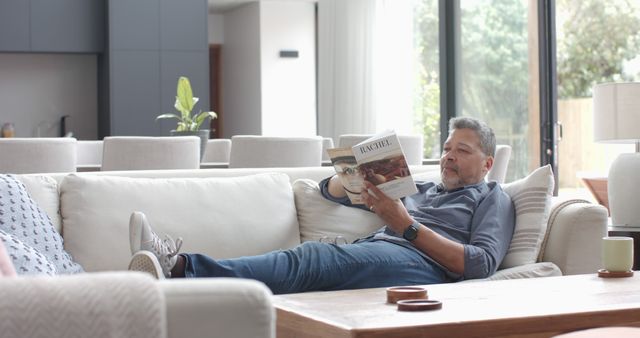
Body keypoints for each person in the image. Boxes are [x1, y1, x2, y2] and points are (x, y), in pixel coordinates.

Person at [128, 117, 515, 294]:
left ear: (486, 163)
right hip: (383, 248)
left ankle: (178, 268)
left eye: (461, 151)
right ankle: (179, 281)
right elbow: (329, 194)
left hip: (425, 267)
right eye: (446, 148)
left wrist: (406, 226)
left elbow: (478, 263)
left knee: (311, 258)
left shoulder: (492, 197)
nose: (448, 157)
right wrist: (347, 180)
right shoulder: (422, 189)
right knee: (309, 260)